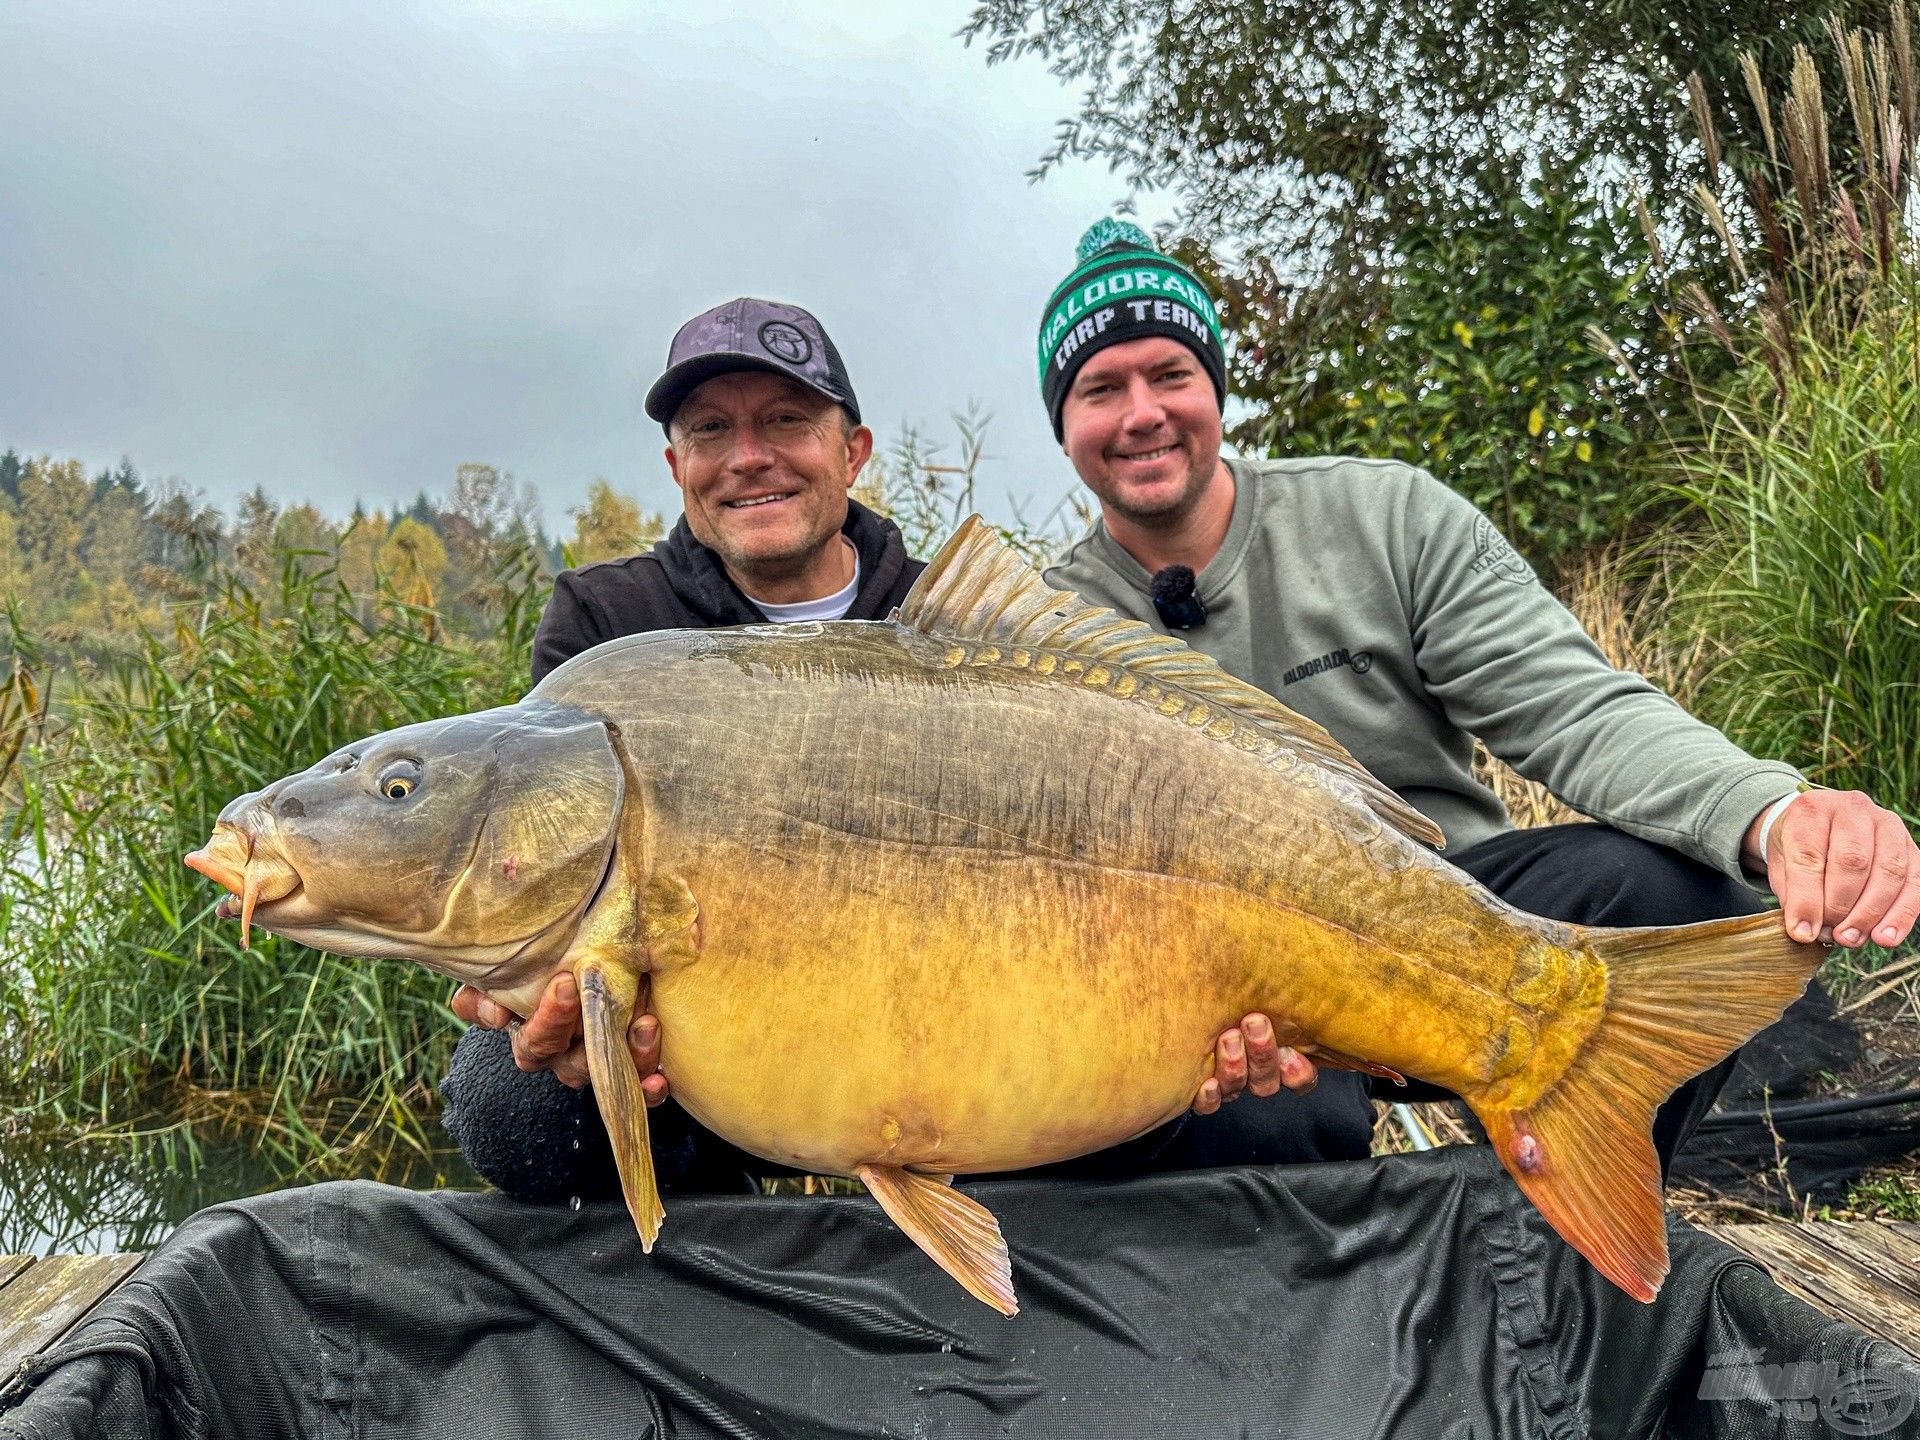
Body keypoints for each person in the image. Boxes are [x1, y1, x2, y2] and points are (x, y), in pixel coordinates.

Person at [1029, 218, 1920, 1171]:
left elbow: (1574, 705)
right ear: (1064, 424)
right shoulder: (1041, 625)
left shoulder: (1386, 516)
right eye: (1101, 388)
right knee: (1213, 1077)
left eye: (1171, 374)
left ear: (1213, 388)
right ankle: (1315, 1275)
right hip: (1219, 976)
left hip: (1456, 917)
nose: (1142, 413)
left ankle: (1554, 1214)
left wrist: (1770, 814)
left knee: (1675, 893)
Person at [439, 296, 1308, 1201]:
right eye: (711, 431)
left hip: (955, 1022)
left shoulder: (959, 631)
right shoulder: (606, 627)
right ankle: (722, 1282)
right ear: (677, 466)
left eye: (787, 421)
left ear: (852, 452)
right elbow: (536, 871)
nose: (748, 457)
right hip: (707, 1059)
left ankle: (989, 1217)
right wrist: (539, 1001)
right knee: (514, 1102)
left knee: (1267, 1104)